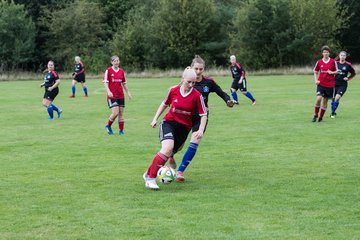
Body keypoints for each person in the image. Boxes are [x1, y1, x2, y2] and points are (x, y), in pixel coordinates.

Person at [169, 55, 234, 182]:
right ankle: (171, 154)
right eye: (196, 69)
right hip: (185, 117)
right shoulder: (186, 81)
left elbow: (221, 92)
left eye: (201, 69)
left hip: (201, 118)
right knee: (179, 145)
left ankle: (180, 171)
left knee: (195, 141)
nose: (198, 72)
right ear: (192, 68)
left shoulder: (208, 82)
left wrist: (228, 100)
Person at [143, 67, 208, 190]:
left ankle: (148, 172)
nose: (191, 84)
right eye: (189, 82)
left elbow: (203, 114)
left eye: (193, 82)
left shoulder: (197, 95)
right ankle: (150, 179)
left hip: (184, 129)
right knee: (167, 149)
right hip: (169, 123)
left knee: (171, 152)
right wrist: (155, 119)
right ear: (183, 79)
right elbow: (164, 104)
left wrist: (200, 129)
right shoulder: (173, 91)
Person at [103, 55, 132, 135]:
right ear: (111, 62)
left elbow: (124, 83)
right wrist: (108, 91)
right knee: (115, 112)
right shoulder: (108, 71)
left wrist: (128, 92)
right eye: (114, 61)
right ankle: (108, 126)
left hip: (120, 95)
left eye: (117, 61)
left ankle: (121, 131)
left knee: (121, 113)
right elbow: (105, 82)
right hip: (112, 96)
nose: (116, 62)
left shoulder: (121, 71)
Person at [312, 46, 338, 122]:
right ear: (322, 53)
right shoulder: (319, 62)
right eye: (324, 52)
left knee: (325, 101)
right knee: (318, 99)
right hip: (321, 84)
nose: (325, 53)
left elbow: (337, 71)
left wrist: (332, 72)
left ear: (329, 53)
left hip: (330, 85)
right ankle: (315, 114)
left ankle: (321, 117)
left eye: (327, 52)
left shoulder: (333, 61)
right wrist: (316, 80)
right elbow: (315, 71)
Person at [330, 51, 356, 118]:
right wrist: (332, 73)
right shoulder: (335, 63)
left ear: (346, 56)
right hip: (334, 84)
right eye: (341, 55)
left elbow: (353, 73)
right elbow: (330, 71)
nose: (342, 56)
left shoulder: (348, 64)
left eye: (344, 55)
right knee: (334, 100)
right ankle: (333, 111)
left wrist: (348, 78)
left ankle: (332, 113)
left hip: (343, 85)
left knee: (337, 97)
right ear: (339, 56)